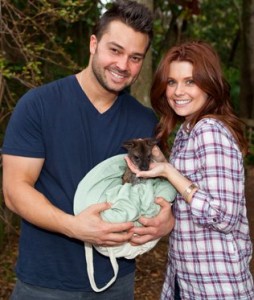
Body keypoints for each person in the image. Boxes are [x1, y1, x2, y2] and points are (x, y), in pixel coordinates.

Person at [1, 1, 175, 299]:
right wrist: (74, 227)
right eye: (115, 50)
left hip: (116, 280)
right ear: (94, 43)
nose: (123, 65)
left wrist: (166, 220)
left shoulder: (145, 121)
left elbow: (153, 190)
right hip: (44, 283)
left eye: (135, 57)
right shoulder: (38, 105)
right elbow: (15, 191)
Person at [125, 41, 254, 299]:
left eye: (190, 81)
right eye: (172, 82)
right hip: (187, 278)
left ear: (210, 84)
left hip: (216, 286)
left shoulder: (209, 130)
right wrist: (162, 162)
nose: (177, 91)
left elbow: (224, 216)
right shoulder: (187, 130)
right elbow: (191, 192)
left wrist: (168, 172)